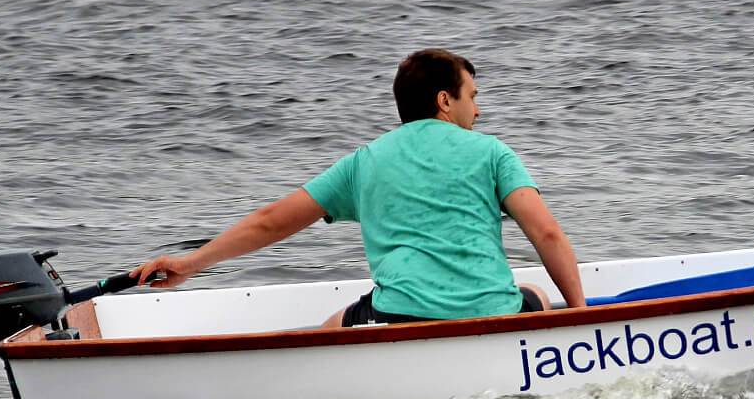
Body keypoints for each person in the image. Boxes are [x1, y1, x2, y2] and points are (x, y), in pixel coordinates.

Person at [133, 48, 586, 326]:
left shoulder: (363, 163)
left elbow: (270, 223)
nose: (479, 111)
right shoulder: (493, 153)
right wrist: (583, 319)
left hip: (398, 316)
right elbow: (546, 235)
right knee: (540, 297)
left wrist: (192, 264)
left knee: (332, 326)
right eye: (473, 96)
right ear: (445, 101)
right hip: (491, 315)